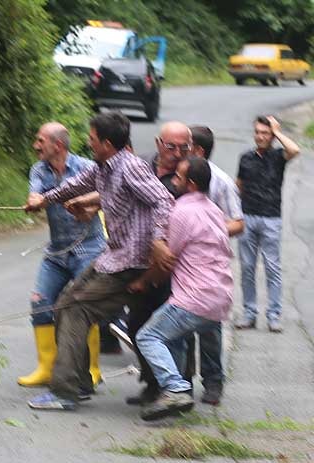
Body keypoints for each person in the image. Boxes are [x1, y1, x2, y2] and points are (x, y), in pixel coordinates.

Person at [24, 112, 174, 411]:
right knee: (66, 301)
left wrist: (158, 240)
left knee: (74, 308)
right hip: (113, 256)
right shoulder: (103, 168)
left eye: (92, 139)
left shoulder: (131, 167)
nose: (88, 143)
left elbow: (163, 200)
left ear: (106, 143)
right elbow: (76, 185)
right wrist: (45, 199)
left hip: (133, 261)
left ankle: (65, 391)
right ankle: (79, 384)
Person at [131, 157, 233, 420]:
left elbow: (166, 260)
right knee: (173, 338)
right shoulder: (212, 209)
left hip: (194, 299)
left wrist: (142, 281)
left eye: (178, 177)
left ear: (191, 184)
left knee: (148, 337)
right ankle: (176, 397)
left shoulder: (181, 212)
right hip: (220, 298)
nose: (173, 181)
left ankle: (174, 388)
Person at [18, 123, 107, 391]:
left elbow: (106, 194)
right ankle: (46, 368)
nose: (36, 145)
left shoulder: (87, 168)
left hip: (89, 248)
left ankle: (91, 369)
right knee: (40, 302)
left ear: (57, 145)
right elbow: (35, 193)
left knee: (83, 307)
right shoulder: (38, 169)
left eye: (40, 140)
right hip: (56, 252)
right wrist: (34, 201)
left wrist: (90, 209)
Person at [125, 121, 196, 407]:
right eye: (171, 146)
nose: (177, 153)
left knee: (175, 330)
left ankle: (182, 387)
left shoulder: (190, 177)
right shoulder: (142, 167)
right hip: (141, 262)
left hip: (176, 267)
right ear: (158, 144)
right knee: (137, 325)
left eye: (184, 147)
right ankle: (153, 383)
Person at [189, 125, 244, 405]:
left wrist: (208, 229)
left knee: (209, 325)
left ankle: (213, 381)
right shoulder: (179, 177)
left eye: (186, 145)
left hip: (210, 265)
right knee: (180, 322)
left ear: (198, 150)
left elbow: (238, 222)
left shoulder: (220, 181)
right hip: (183, 262)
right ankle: (180, 383)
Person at [235, 116, 300, 333]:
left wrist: (278, 131)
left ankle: (273, 314)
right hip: (248, 217)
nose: (261, 137)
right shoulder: (245, 158)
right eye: (258, 132)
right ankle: (249, 313)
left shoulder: (278, 156)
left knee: (272, 268)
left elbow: (295, 150)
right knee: (247, 268)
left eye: (265, 133)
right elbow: (239, 187)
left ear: (272, 136)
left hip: (271, 219)